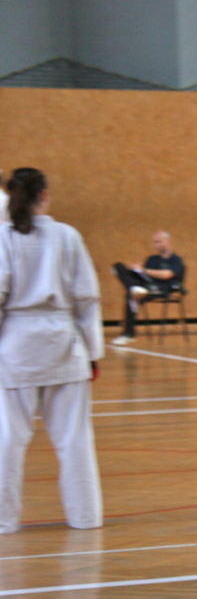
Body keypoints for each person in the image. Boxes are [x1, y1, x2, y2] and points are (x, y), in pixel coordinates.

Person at [0, 168, 104, 535]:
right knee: (74, 439)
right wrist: (93, 353)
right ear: (44, 195)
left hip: (16, 347)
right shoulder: (67, 236)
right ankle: (85, 517)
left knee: (7, 440)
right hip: (64, 344)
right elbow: (87, 299)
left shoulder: (4, 237)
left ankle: (3, 520)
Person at [109, 230, 185, 346]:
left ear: (168, 241)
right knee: (118, 267)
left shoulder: (176, 260)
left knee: (131, 295)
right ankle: (134, 288)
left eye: (159, 242)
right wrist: (136, 268)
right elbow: (142, 273)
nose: (156, 245)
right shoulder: (152, 259)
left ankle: (129, 333)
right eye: (154, 242)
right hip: (145, 284)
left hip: (160, 289)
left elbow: (166, 275)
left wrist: (144, 270)